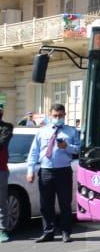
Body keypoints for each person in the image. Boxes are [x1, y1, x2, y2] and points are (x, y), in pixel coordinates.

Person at [25, 103, 80, 242]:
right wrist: (30, 170)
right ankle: (48, 232)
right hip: (45, 171)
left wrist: (67, 147)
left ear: (65, 115)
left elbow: (79, 150)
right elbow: (34, 152)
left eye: (60, 116)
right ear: (50, 115)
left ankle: (66, 232)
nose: (57, 118)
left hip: (63, 171)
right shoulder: (42, 131)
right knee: (46, 203)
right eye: (55, 116)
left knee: (65, 203)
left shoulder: (71, 131)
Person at [0, 106, 12, 242]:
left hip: (1, 169)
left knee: (1, 201)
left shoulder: (6, 128)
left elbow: (2, 143)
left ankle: (2, 229)